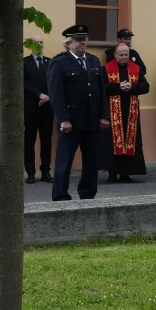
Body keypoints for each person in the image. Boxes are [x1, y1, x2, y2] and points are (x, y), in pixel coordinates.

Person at [47, 24, 109, 201]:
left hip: (91, 120)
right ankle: (60, 196)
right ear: (68, 43)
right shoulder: (59, 62)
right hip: (71, 122)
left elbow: (101, 90)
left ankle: (88, 194)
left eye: (85, 39)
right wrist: (64, 119)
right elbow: (56, 94)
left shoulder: (93, 60)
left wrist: (104, 115)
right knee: (64, 161)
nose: (83, 43)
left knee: (91, 161)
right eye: (79, 40)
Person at [100, 43, 149, 182]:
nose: (123, 57)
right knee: (112, 143)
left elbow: (146, 87)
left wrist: (132, 87)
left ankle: (126, 174)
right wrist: (118, 87)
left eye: (126, 54)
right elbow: (101, 88)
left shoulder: (136, 68)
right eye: (121, 54)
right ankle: (112, 173)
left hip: (130, 113)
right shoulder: (106, 69)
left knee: (129, 142)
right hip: (112, 112)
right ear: (115, 55)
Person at [23, 34, 54, 184]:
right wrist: (39, 95)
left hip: (47, 107)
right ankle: (30, 172)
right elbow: (23, 83)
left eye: (41, 42)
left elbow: (55, 82)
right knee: (29, 141)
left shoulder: (50, 62)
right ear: (30, 45)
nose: (40, 44)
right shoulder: (24, 62)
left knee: (46, 141)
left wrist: (47, 97)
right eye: (36, 42)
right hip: (31, 108)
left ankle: (46, 171)